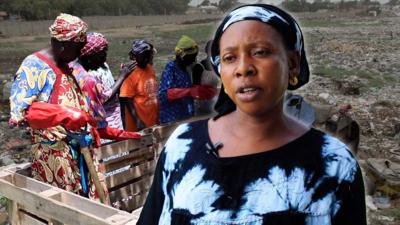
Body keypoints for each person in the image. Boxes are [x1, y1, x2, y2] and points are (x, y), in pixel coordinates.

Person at [137, 4, 367, 225]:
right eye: (229, 58)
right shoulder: (181, 147)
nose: (243, 68)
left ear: (293, 64)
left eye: (260, 52)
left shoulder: (335, 164)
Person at [9, 14, 106, 199]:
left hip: (80, 152)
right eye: (78, 48)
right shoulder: (34, 65)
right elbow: (21, 113)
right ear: (63, 44)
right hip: (55, 157)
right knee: (66, 210)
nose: (80, 53)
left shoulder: (65, 64)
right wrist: (63, 114)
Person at [77, 32, 135, 134]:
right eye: (102, 55)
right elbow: (101, 98)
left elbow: (108, 86)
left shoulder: (101, 64)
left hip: (114, 116)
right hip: (104, 121)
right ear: (91, 56)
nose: (104, 58)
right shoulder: (88, 76)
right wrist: (122, 77)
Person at [158, 35, 217, 124]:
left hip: (186, 115)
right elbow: (163, 95)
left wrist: (202, 91)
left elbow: (186, 88)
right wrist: (189, 91)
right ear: (182, 56)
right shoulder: (170, 69)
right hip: (172, 118)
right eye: (191, 57)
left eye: (194, 57)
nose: (193, 60)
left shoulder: (185, 68)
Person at [119, 40, 159, 131]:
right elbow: (127, 99)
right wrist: (138, 121)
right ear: (135, 57)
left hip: (151, 121)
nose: (145, 59)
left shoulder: (150, 69)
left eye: (147, 56)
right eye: (142, 56)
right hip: (138, 126)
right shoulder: (131, 74)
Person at [191, 40, 220, 115]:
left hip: (214, 98)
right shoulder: (199, 67)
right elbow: (195, 88)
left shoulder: (219, 65)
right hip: (204, 102)